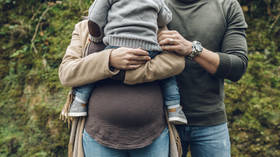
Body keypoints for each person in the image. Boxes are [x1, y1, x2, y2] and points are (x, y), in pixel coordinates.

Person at [59, 19, 185, 157]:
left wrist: (124, 73)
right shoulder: (84, 28)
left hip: (154, 135)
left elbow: (176, 62)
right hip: (98, 137)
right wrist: (109, 59)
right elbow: (66, 73)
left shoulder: (152, 21)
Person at [67, 0, 188, 125]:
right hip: (147, 48)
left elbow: (95, 17)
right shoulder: (81, 28)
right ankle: (174, 108)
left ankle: (80, 102)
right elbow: (165, 18)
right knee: (168, 79)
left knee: (93, 67)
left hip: (116, 43)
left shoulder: (100, 12)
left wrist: (96, 38)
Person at [156, 0, 248, 156]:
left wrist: (192, 49)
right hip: (161, 121)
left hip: (211, 122)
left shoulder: (227, 5)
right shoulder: (155, 3)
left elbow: (238, 67)